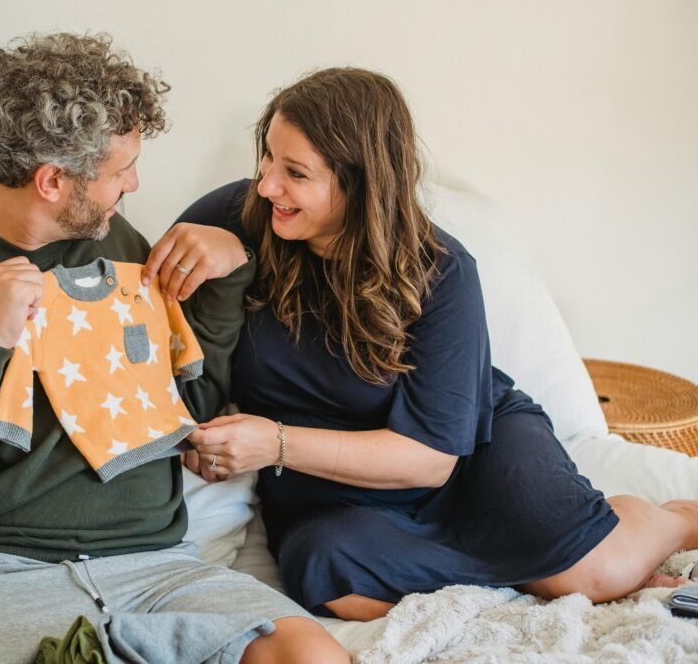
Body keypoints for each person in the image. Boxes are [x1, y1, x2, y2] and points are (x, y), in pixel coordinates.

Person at [0, 33, 348, 663]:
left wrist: (228, 277)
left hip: (157, 571)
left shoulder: (120, 245)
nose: (134, 183)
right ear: (52, 180)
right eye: (119, 170)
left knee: (310, 655)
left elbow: (182, 408)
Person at [142, 67, 698, 622]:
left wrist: (275, 443)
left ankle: (675, 518)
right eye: (266, 158)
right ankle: (534, 571)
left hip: (468, 453)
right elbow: (155, 350)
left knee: (595, 572)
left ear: (360, 183)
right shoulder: (231, 219)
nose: (266, 186)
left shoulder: (443, 272)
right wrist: (195, 431)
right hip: (335, 490)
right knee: (330, 574)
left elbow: (431, 459)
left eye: (295, 173)